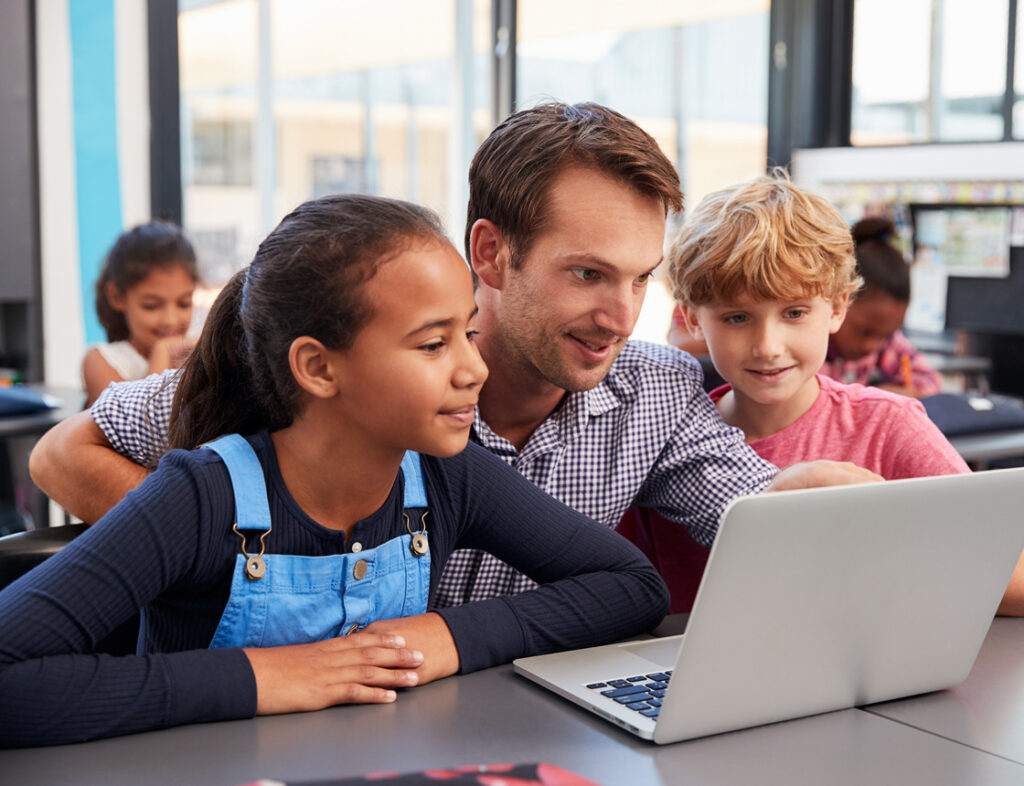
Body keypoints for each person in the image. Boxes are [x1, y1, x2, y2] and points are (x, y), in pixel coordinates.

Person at [30, 101, 878, 609]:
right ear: (493, 254)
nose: (621, 316)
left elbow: (750, 508)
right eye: (587, 273)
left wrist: (825, 499)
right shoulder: (365, 369)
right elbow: (64, 451)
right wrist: (213, 555)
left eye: (640, 279)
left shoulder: (656, 393)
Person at [0, 195, 669, 747]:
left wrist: (445, 637)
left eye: (467, 333)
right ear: (318, 368)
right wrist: (265, 677)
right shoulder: (200, 498)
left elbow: (631, 586)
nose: (474, 369)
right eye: (433, 344)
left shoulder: (447, 475)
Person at [625, 174, 973, 613]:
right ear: (692, 320)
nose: (768, 347)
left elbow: (1000, 568)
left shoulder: (889, 426)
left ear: (838, 307)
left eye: (794, 313)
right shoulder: (660, 439)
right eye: (737, 318)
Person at [820, 216, 943, 398]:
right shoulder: (810, 348)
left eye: (885, 335)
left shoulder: (885, 344)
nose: (872, 346)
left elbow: (931, 380)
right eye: (864, 332)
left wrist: (886, 396)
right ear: (837, 303)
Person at [82, 221, 199, 407]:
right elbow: (142, 428)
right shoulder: (100, 361)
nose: (171, 320)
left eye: (183, 303)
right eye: (151, 306)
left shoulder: (194, 356)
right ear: (116, 297)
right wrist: (162, 353)